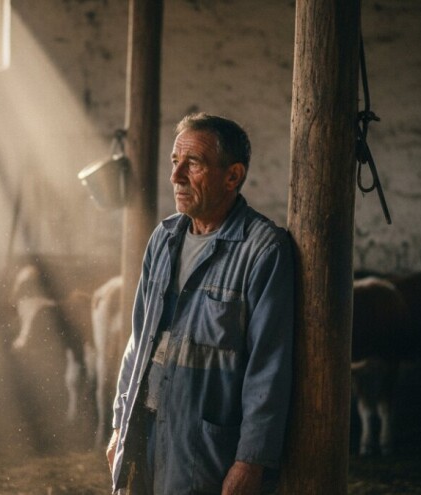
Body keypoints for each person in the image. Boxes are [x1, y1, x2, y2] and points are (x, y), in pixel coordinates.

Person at [106, 113, 295, 494]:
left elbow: (269, 368)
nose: (176, 176)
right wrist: (119, 425)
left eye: (193, 164)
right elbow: (138, 341)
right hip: (144, 433)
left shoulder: (262, 250)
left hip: (206, 449)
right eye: (175, 162)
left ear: (233, 176)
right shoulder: (163, 238)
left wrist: (250, 461)